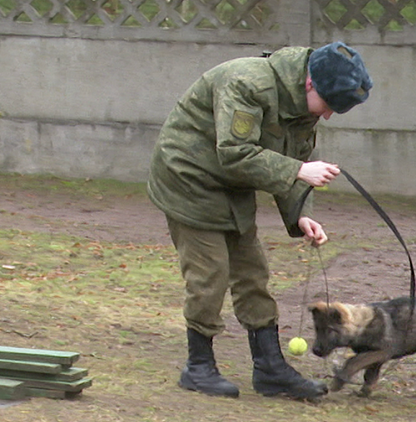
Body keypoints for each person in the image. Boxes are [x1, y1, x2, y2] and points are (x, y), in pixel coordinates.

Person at [147, 42, 372, 400]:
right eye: (328, 106)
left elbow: (291, 158)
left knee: (252, 273)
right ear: (311, 83)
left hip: (230, 184)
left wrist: (301, 215)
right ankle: (198, 367)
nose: (327, 115)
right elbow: (236, 153)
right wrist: (299, 170)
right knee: (210, 274)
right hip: (188, 178)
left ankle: (269, 369)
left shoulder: (301, 105)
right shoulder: (247, 84)